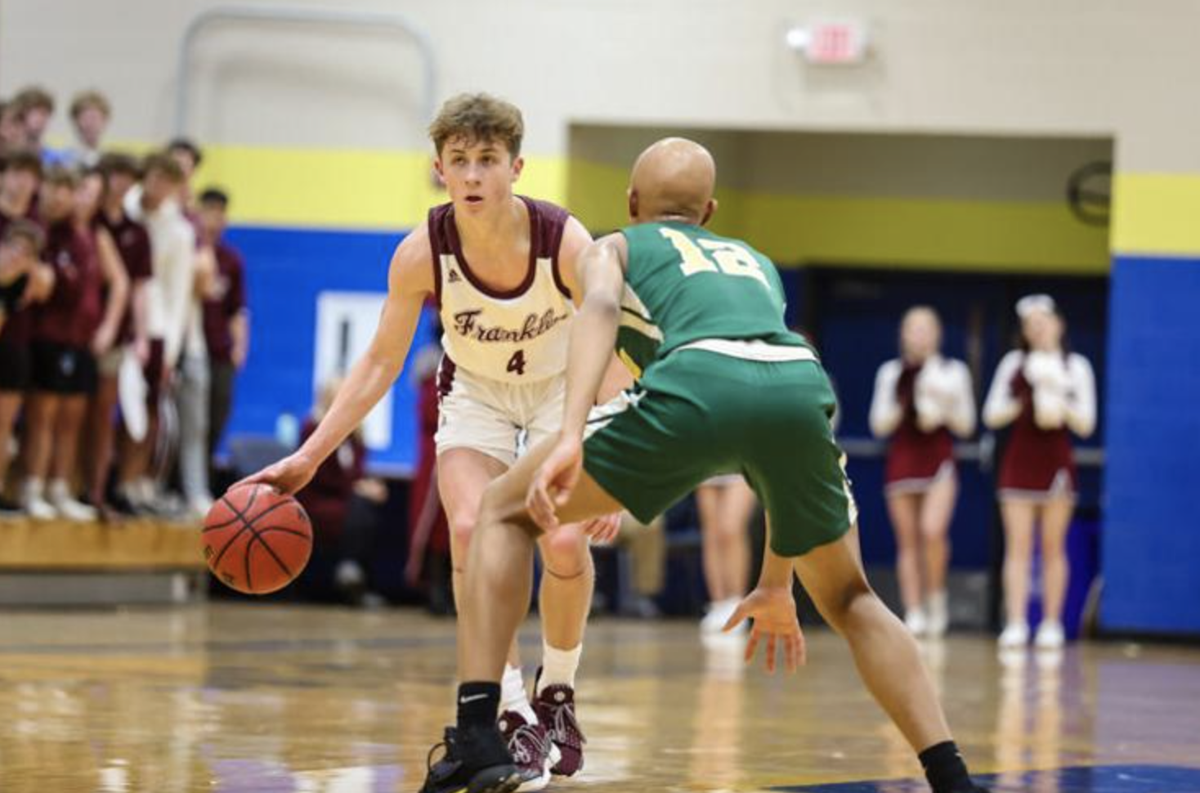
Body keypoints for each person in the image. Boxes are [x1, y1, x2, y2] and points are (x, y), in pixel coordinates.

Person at [409, 137, 990, 793]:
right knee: (853, 597)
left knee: (503, 510)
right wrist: (776, 581)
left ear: (632, 203)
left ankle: (482, 732)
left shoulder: (616, 247)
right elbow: (765, 434)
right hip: (798, 386)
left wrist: (569, 432)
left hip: (695, 382)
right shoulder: (755, 263)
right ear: (709, 211)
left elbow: (598, 309)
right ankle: (953, 777)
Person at [242, 94, 623, 791]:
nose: (473, 174)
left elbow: (614, 353)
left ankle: (557, 694)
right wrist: (310, 455)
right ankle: (508, 707)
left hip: (557, 392)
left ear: (516, 167)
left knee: (564, 542)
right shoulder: (423, 250)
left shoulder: (563, 241)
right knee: (474, 530)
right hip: (474, 393)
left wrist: (617, 466)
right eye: (459, 161)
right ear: (439, 170)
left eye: (486, 160)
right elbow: (380, 363)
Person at [982, 294, 1096, 649]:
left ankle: (1051, 623)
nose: (1039, 328)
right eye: (1031, 324)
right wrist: (1024, 396)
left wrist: (1057, 397)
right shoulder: (1014, 363)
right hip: (1020, 460)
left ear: (1059, 324)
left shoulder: (1076, 366)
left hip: (1057, 461)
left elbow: (1086, 424)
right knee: (1017, 545)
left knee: (1053, 546)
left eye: (1044, 321)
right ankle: (1015, 622)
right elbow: (991, 414)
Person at [19, 167, 126, 520]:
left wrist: (108, 326)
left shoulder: (94, 235)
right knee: (43, 416)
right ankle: (32, 486)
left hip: (81, 340)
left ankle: (60, 487)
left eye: (90, 193)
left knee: (71, 419)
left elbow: (119, 283)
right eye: (78, 190)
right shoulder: (49, 231)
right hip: (49, 335)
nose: (82, 199)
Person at [869, 307, 975, 636]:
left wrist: (941, 407)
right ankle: (913, 609)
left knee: (932, 532)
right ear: (903, 334)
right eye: (913, 328)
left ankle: (936, 598)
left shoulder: (953, 371)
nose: (919, 335)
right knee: (908, 540)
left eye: (926, 328)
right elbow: (878, 424)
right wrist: (902, 408)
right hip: (903, 458)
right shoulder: (890, 372)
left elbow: (967, 424)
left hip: (938, 458)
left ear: (938, 334)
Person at [120, 153, 196, 515]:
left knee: (149, 410)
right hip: (114, 320)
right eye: (155, 177)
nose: (160, 186)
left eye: (169, 181)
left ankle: (133, 482)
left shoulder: (180, 232)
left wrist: (171, 352)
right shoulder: (124, 212)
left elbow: (179, 294)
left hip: (156, 328)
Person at [294, 378, 388, 605]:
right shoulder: (312, 427)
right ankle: (350, 570)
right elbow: (320, 476)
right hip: (316, 499)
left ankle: (352, 570)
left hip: (343, 498)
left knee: (365, 505)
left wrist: (367, 485)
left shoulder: (355, 432)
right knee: (359, 505)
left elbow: (355, 472)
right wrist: (358, 487)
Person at [94, 153, 153, 512]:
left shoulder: (136, 231)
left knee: (105, 416)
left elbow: (137, 288)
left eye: (129, 176)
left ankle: (99, 492)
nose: (122, 182)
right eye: (116, 174)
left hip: (112, 337)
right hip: (70, 330)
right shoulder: (88, 220)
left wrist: (141, 335)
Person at [0, 151, 54, 514]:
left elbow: (42, 285)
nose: (22, 181)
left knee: (4, 423)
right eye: (16, 172)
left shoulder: (35, 225)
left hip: (16, 339)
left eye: (30, 175)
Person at [197, 187, 249, 471]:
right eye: (209, 212)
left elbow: (238, 310)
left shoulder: (232, 260)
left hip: (220, 351)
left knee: (217, 416)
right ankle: (174, 482)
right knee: (191, 420)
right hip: (192, 349)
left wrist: (239, 346)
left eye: (220, 213)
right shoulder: (190, 251)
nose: (214, 219)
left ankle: (202, 474)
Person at [696, 476, 757, 634]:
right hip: (707, 456)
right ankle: (718, 604)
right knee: (711, 533)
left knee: (730, 528)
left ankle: (735, 604)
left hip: (743, 460)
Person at [66, 90, 112, 169]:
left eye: (94, 118)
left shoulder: (110, 161)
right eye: (85, 118)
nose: (90, 124)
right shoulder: (65, 160)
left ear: (105, 121)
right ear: (76, 121)